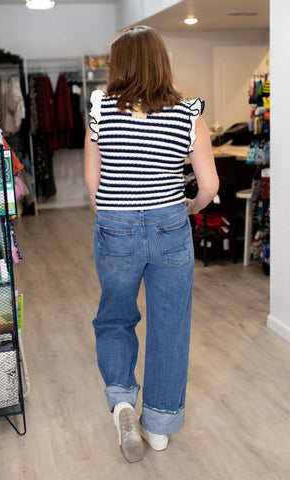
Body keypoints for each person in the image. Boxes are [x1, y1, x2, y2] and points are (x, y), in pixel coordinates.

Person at [84, 25, 219, 463]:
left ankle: (122, 401)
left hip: (116, 224)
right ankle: (158, 427)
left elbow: (93, 180)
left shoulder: (101, 108)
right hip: (170, 225)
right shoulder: (187, 113)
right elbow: (210, 184)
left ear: (117, 64)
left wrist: (108, 215)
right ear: (162, 61)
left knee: (115, 318)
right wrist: (193, 206)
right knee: (170, 326)